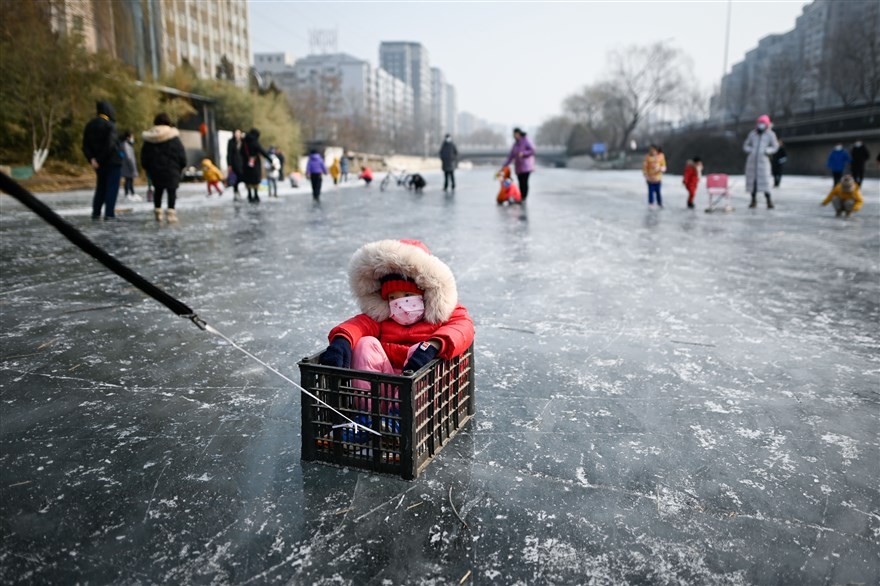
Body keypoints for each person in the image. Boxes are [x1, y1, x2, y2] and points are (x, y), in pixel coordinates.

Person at [318, 239, 475, 421]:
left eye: (408, 295)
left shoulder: (446, 313)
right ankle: (366, 415)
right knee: (364, 344)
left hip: (423, 395)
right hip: (386, 387)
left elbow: (463, 327)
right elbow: (359, 324)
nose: (401, 303)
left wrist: (433, 345)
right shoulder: (384, 316)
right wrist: (342, 340)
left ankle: (400, 419)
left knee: (421, 351)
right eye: (393, 297)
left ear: (424, 293)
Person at [141, 113, 187, 223]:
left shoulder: (149, 138)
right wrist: (181, 166)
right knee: (172, 191)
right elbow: (181, 154)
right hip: (172, 169)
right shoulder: (173, 137)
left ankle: (158, 213)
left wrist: (148, 168)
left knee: (158, 190)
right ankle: (171, 215)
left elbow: (144, 156)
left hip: (155, 170)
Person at [82, 100, 124, 220]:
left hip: (98, 165)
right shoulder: (110, 125)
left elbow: (85, 146)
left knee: (100, 188)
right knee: (112, 188)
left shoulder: (89, 125)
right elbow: (110, 145)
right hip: (112, 162)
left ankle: (96, 212)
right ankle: (109, 214)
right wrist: (100, 159)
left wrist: (92, 159)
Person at [743, 114, 780, 209]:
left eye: (763, 123)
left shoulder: (770, 134)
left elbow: (775, 146)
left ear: (767, 124)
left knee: (765, 181)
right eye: (759, 123)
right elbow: (746, 145)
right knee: (753, 182)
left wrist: (767, 151)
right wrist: (751, 150)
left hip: (763, 161)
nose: (761, 125)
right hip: (752, 161)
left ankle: (769, 200)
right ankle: (753, 201)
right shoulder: (752, 134)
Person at [500, 128, 536, 201]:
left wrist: (523, 154)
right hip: (519, 167)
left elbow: (532, 150)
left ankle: (524, 197)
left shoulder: (526, 140)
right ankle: (520, 196)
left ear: (518, 133)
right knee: (520, 182)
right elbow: (511, 156)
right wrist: (505, 164)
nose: (514, 136)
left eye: (515, 134)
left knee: (524, 182)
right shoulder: (515, 144)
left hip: (526, 166)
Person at [240, 128, 270, 203]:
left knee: (248, 179)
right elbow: (262, 151)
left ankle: (249, 194)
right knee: (255, 179)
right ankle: (256, 194)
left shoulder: (244, 142)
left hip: (245, 163)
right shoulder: (255, 142)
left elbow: (240, 152)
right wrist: (270, 159)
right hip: (255, 163)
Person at [642, 145, 667, 209]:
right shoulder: (647, 158)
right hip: (650, 179)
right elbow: (645, 167)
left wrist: (660, 169)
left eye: (653, 150)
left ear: (656, 151)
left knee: (658, 191)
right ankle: (651, 203)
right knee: (650, 192)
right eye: (651, 150)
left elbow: (664, 166)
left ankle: (659, 203)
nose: (652, 151)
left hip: (658, 178)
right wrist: (645, 174)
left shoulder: (660, 157)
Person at [120, 131, 141, 201]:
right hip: (127, 167)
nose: (133, 138)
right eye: (132, 137)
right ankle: (127, 194)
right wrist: (132, 167)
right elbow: (128, 157)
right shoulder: (125, 145)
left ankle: (132, 193)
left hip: (127, 166)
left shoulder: (127, 144)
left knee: (130, 180)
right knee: (128, 180)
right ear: (128, 137)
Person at [226, 129, 244, 201]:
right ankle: (236, 191)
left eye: (238, 133)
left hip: (242, 163)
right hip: (234, 163)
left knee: (241, 177)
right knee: (234, 178)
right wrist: (229, 164)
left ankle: (242, 190)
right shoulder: (231, 142)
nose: (237, 134)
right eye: (236, 133)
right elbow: (229, 154)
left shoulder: (243, 141)